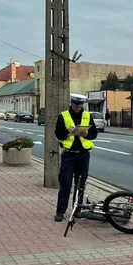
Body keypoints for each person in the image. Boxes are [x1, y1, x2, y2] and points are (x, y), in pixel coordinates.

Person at [54, 94, 98, 222]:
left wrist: (87, 134)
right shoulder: (63, 116)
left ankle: (77, 210)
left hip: (83, 154)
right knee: (65, 183)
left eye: (79, 107)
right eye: (75, 106)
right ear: (71, 104)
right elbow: (58, 133)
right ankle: (60, 212)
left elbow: (94, 133)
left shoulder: (88, 116)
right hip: (69, 154)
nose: (77, 108)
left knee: (81, 184)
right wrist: (68, 131)